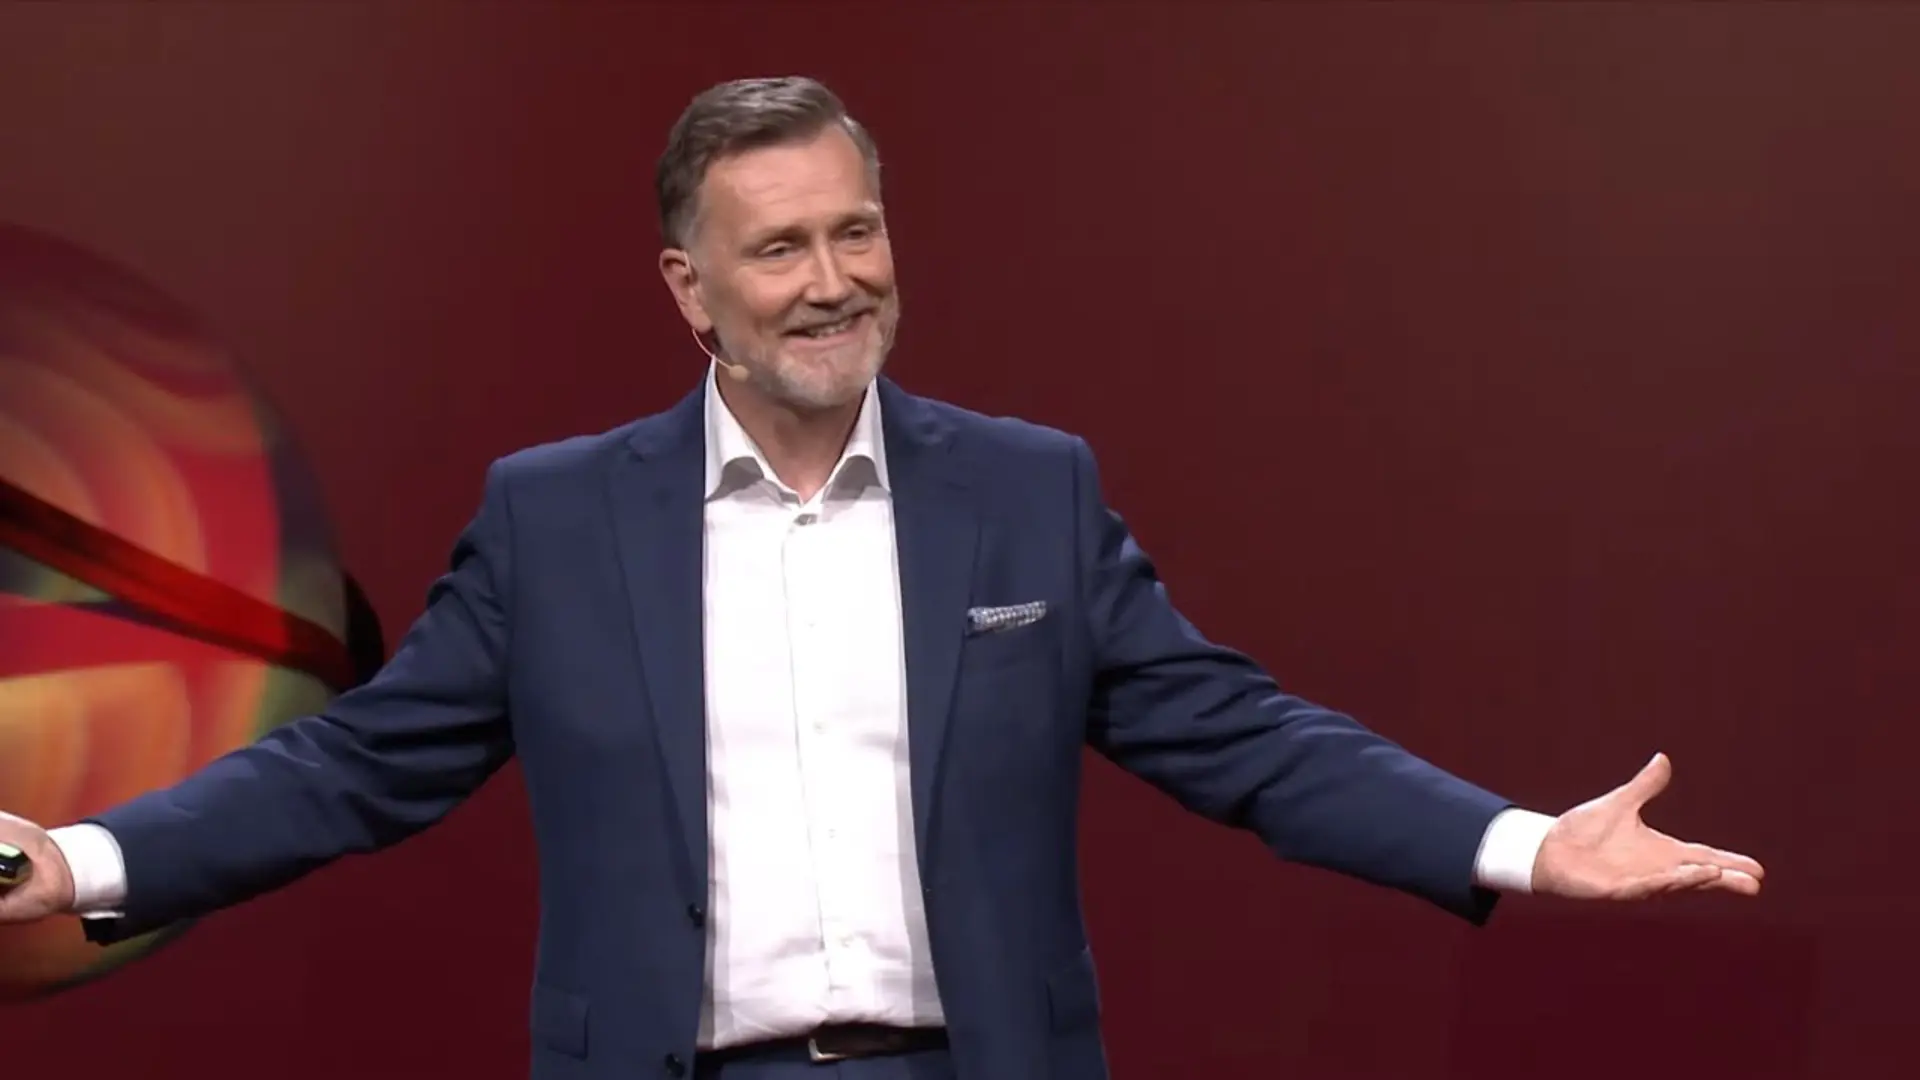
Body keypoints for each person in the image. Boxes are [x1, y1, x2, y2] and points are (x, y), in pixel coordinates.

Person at [0, 76, 1763, 1080]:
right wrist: (77, 860)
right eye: (779, 247)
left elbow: (1241, 737)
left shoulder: (1025, 492)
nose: (834, 279)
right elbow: (355, 763)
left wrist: (1522, 843)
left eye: (857, 230)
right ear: (691, 288)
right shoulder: (556, 520)